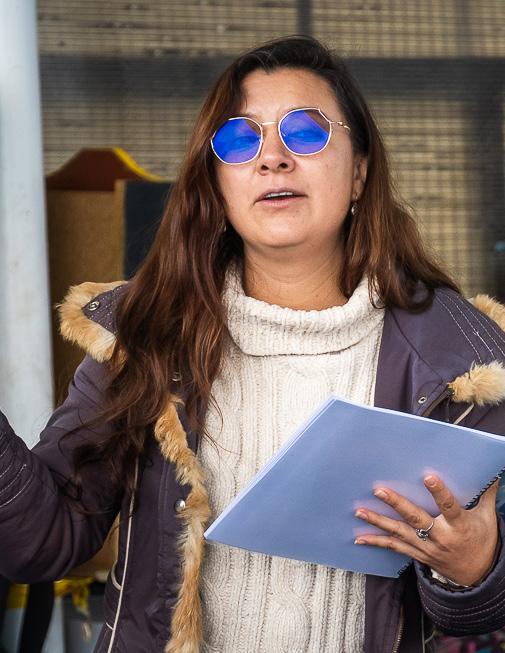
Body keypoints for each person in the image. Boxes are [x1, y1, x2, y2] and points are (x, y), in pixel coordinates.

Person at [1, 35, 505, 653]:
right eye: (240, 139)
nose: (272, 158)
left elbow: (475, 612)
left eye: (306, 132)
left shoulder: (459, 357)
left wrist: (476, 567)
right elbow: (40, 542)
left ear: (359, 172)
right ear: (216, 184)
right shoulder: (145, 335)